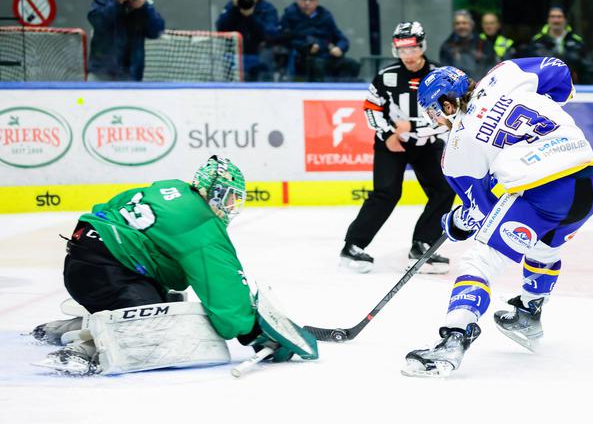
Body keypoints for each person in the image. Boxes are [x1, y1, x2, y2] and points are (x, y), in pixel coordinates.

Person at [402, 58, 593, 377]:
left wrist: (457, 224)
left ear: (447, 103)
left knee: (479, 261)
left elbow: (482, 211)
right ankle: (529, 312)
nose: (434, 118)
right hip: (588, 183)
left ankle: (454, 338)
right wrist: (553, 102)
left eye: (433, 110)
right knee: (543, 248)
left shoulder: (455, 149)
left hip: (542, 193)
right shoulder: (503, 76)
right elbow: (558, 69)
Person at [31, 156, 318, 375]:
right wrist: (251, 332)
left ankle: (71, 324)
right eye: (228, 196)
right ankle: (83, 349)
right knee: (157, 326)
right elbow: (224, 291)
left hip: (83, 262)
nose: (230, 206)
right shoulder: (201, 222)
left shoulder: (171, 189)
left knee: (167, 300)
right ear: (211, 191)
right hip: (109, 274)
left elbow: (107, 210)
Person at [340, 21, 455, 275]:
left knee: (444, 190)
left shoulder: (440, 75)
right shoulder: (386, 76)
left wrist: (433, 128)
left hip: (427, 144)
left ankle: (422, 245)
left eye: (413, 49)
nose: (408, 56)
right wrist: (390, 133)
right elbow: (371, 108)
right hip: (393, 144)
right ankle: (353, 246)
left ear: (422, 46)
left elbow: (453, 111)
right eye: (402, 50)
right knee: (386, 193)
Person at [87, 0, 165, 81]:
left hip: (131, 73)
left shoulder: (144, 3)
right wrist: (116, 3)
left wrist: (145, 8)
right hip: (102, 71)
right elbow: (96, 21)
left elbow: (157, 31)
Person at [279, 0, 360, 82]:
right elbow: (285, 39)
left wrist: (340, 47)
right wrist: (307, 47)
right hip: (302, 57)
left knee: (352, 65)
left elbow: (341, 38)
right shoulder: (289, 15)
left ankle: (343, 92)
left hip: (326, 54)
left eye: (311, 0)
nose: (307, 3)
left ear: (316, 1)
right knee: (317, 65)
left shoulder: (325, 16)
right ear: (298, 0)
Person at [215, 0, 278, 81]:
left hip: (259, 55)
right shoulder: (232, 6)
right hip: (235, 54)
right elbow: (221, 28)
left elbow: (269, 34)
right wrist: (234, 9)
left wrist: (250, 16)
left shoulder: (268, 9)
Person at [527, 6, 593, 84]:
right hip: (544, 85)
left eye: (559, 17)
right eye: (552, 17)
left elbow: (588, 67)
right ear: (548, 19)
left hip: (573, 86)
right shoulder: (538, 41)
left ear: (565, 19)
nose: (556, 20)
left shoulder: (576, 41)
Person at [438, 10, 485, 80]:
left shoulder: (483, 44)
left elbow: (490, 66)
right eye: (458, 23)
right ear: (454, 26)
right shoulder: (447, 47)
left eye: (464, 23)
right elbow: (446, 72)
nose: (461, 26)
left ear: (472, 25)